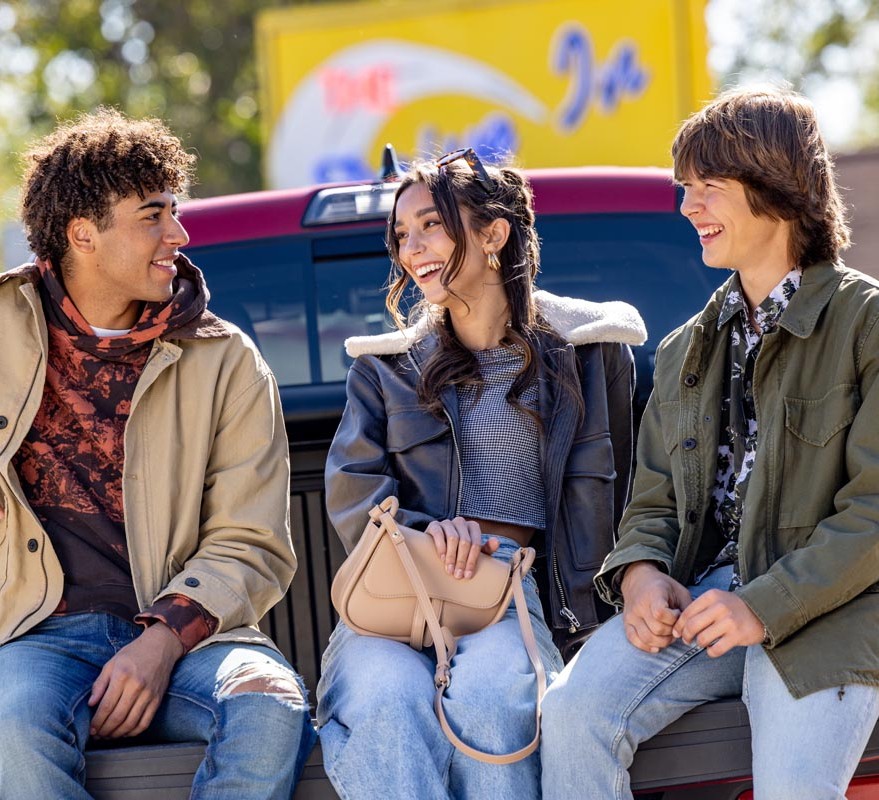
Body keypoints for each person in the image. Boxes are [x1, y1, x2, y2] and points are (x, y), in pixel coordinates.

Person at [541, 86, 879, 800]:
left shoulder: (865, 324)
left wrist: (762, 605)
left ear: (778, 189)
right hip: (709, 601)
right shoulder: (683, 349)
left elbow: (874, 512)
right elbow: (653, 500)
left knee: (792, 788)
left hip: (834, 609)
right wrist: (638, 575)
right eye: (684, 188)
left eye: (709, 188)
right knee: (570, 714)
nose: (687, 207)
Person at [0, 108, 316, 799]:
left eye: (175, 212)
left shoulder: (224, 359)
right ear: (83, 234)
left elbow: (250, 540)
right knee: (9, 732)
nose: (179, 234)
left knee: (269, 705)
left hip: (191, 639)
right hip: (32, 639)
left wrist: (162, 639)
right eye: (152, 216)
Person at [318, 148, 646, 799]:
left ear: (494, 234)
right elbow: (353, 488)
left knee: (494, 700)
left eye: (429, 226)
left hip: (510, 596)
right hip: (397, 593)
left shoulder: (586, 354)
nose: (412, 250)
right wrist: (425, 531)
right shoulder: (385, 369)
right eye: (401, 235)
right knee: (383, 701)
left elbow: (621, 488)